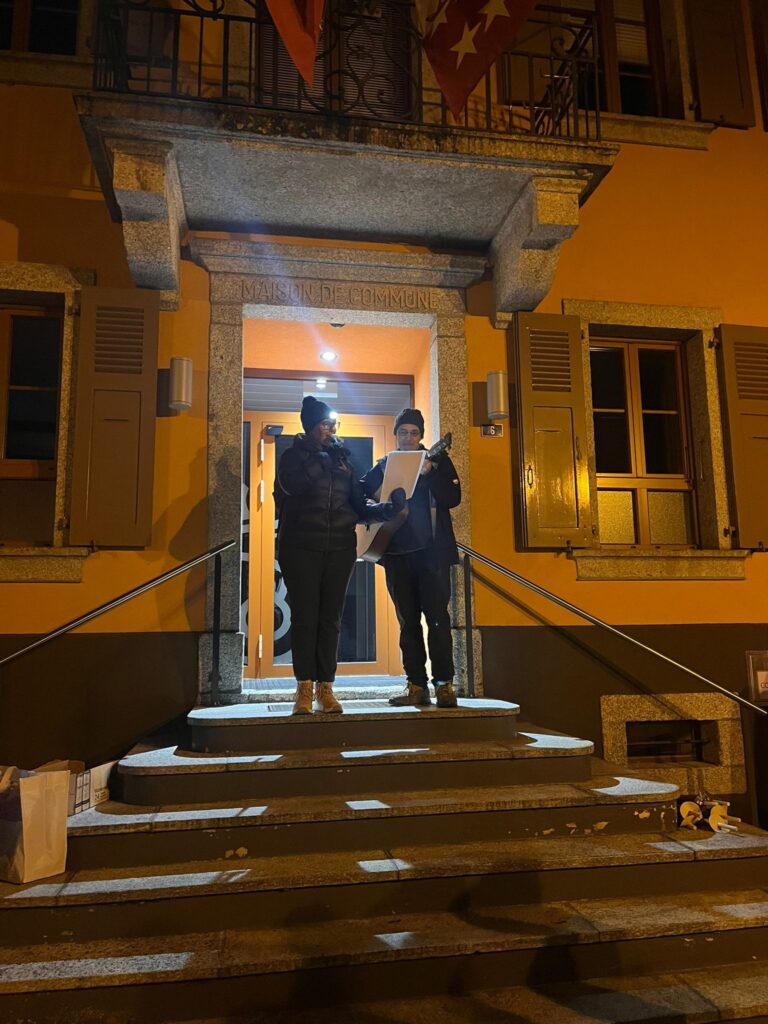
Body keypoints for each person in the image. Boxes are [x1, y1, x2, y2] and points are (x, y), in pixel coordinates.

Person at [276, 396, 404, 716]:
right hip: (300, 547)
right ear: (310, 426)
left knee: (330, 619)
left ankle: (326, 689)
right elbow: (292, 486)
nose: (331, 430)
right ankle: (304, 689)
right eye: (325, 424)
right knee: (305, 618)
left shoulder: (344, 462)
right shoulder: (293, 456)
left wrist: (388, 510)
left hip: (340, 549)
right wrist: (321, 458)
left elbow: (359, 507)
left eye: (334, 424)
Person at [362, 408, 461, 708]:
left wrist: (430, 475)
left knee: (438, 620)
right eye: (403, 432)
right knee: (408, 623)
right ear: (395, 435)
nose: (408, 437)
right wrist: (373, 506)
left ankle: (444, 685)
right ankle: (416, 684)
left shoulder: (438, 461)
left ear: (421, 436)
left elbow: (453, 499)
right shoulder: (384, 465)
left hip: (432, 556)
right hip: (396, 555)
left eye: (414, 432)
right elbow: (361, 495)